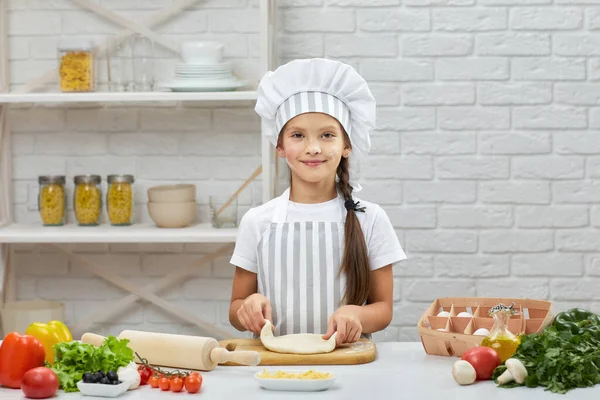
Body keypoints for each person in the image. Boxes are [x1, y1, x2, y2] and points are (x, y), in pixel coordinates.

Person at [228, 58, 406, 346]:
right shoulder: (257, 221)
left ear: (346, 146)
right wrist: (247, 307)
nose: (313, 147)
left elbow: (383, 309)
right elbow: (235, 308)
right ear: (281, 147)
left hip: (347, 363)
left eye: (327, 135)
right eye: (298, 135)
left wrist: (357, 315)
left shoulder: (370, 218)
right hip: (276, 364)